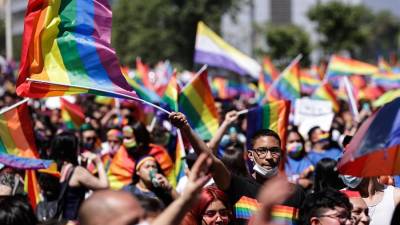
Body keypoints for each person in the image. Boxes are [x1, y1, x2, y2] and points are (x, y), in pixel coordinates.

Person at [169, 112, 305, 225]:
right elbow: (211, 160)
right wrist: (186, 128)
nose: (269, 156)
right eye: (262, 151)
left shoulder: (296, 193)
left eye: (274, 151)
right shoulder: (238, 187)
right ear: (251, 155)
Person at [79, 153, 213, 225]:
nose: (146, 222)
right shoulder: (127, 191)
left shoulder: (163, 191)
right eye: (133, 222)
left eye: (154, 166)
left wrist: (183, 197)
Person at [49, 132, 109, 220]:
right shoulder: (77, 171)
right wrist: (98, 163)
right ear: (71, 149)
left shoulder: (54, 167)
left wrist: (83, 167)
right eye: (78, 145)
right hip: (74, 220)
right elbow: (104, 187)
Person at [107, 123, 173, 189]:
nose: (124, 141)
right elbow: (112, 183)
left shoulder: (159, 154)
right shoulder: (121, 153)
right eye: (124, 138)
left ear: (140, 140)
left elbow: (171, 183)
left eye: (128, 138)